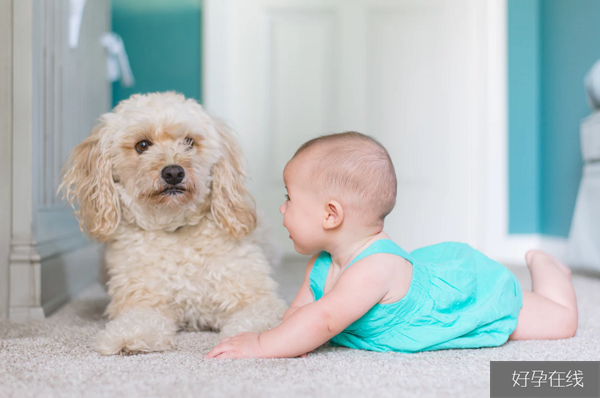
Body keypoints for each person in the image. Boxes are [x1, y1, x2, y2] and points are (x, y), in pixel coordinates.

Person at [205, 132, 578, 359]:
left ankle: (546, 266)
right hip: (421, 274)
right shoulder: (321, 263)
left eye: (290, 199)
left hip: (463, 295)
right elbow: (302, 314)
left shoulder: (373, 270)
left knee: (560, 322)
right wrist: (286, 338)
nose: (282, 208)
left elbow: (323, 319)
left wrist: (262, 345)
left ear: (331, 215)